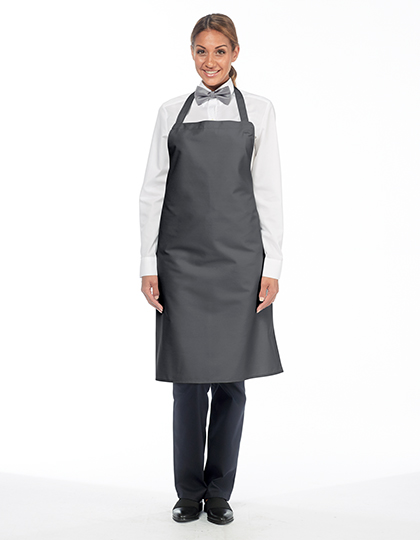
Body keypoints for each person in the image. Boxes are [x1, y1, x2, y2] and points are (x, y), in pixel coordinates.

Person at [139, 13, 284, 525]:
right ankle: (188, 492)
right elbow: (152, 191)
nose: (210, 60)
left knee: (230, 383)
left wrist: (272, 264)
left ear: (235, 53)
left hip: (239, 262)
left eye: (219, 50)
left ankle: (219, 492)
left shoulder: (260, 111)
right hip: (181, 262)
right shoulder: (169, 112)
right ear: (192, 54)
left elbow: (268, 190)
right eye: (201, 50)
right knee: (187, 382)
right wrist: (148, 261)